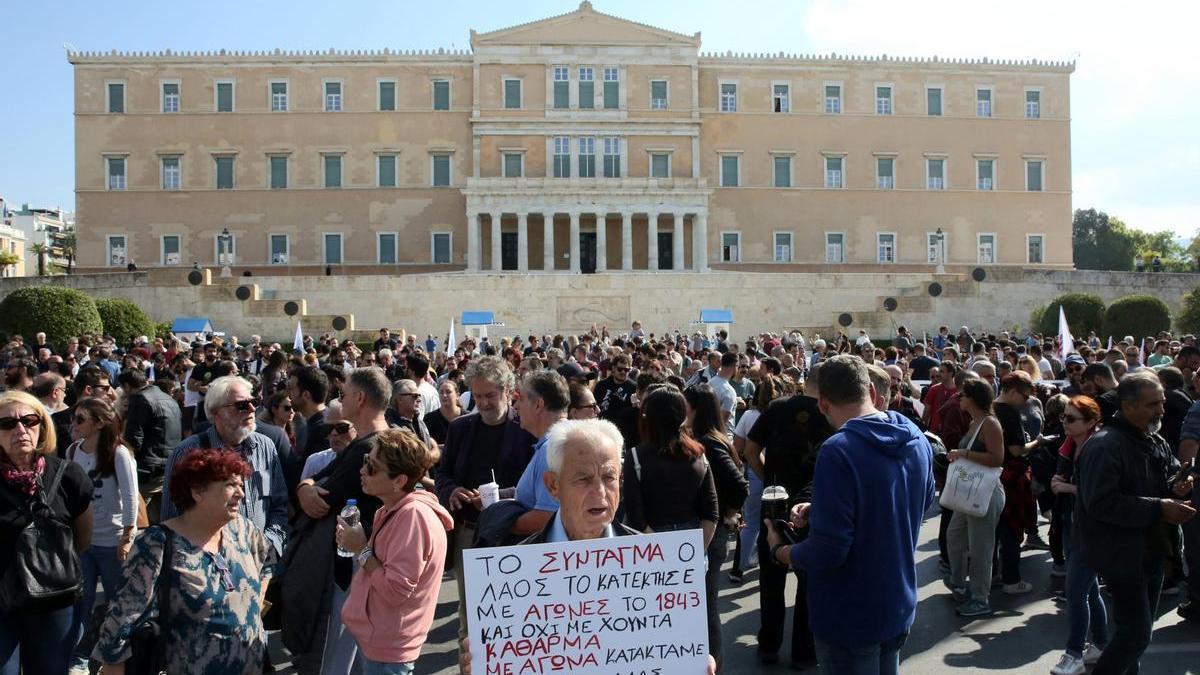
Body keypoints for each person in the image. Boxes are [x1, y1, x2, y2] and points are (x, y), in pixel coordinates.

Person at [459, 418, 718, 675]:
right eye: (583, 479)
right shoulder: (510, 581)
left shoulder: (660, 572)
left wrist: (691, 666)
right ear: (553, 485)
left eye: (609, 477)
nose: (600, 492)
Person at [765, 355, 933, 674]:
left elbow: (828, 552)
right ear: (871, 390)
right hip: (897, 600)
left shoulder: (838, 450)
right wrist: (823, 508)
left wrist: (780, 550)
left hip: (849, 612)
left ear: (823, 404)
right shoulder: (913, 434)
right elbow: (914, 502)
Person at [93, 449, 276, 674]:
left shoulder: (243, 530)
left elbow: (267, 561)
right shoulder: (157, 544)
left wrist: (254, 603)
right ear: (197, 492)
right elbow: (121, 623)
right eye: (230, 485)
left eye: (240, 485)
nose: (241, 494)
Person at [1075, 371, 1195, 674]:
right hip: (1120, 554)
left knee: (1137, 633)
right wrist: (1159, 508)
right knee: (1136, 635)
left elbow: (1167, 472)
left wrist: (1178, 483)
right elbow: (1101, 503)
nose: (1161, 410)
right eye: (1153, 404)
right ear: (1127, 406)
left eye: (1162, 402)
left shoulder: (1152, 437)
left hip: (1151, 550)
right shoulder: (1105, 446)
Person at [285, 367, 392, 674]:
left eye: (343, 395)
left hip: (355, 565)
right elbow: (318, 481)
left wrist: (306, 490)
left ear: (359, 399)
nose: (339, 400)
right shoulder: (370, 442)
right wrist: (306, 487)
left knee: (338, 658)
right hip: (359, 562)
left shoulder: (370, 448)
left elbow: (324, 498)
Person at [433, 356, 535, 645]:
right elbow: (443, 475)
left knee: (516, 618)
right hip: (469, 533)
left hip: (515, 535)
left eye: (490, 395)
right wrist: (451, 491)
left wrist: (501, 496)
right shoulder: (460, 428)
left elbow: (541, 485)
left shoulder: (526, 428)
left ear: (508, 392)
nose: (484, 403)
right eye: (477, 396)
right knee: (472, 619)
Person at [335, 428, 452, 675]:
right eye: (366, 461)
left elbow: (395, 590)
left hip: (387, 650)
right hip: (378, 641)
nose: (362, 470)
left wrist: (361, 549)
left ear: (399, 481)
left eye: (372, 467)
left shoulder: (412, 517)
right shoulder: (393, 509)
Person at [745, 362, 833, 667]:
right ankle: (803, 652)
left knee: (771, 580)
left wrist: (767, 476)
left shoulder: (778, 407)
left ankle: (769, 643)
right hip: (813, 506)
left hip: (776, 502)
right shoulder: (829, 414)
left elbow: (750, 447)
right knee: (809, 583)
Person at [0, 390, 94, 674]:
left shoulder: (69, 475)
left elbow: (81, 538)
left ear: (42, 426)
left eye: (29, 421)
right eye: (7, 424)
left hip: (54, 600)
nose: (20, 430)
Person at [65, 397, 139, 671]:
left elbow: (131, 498)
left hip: (113, 543)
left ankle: (115, 656)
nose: (74, 424)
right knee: (80, 604)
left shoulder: (118, 453)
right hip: (83, 543)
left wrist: (127, 536)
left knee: (116, 603)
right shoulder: (73, 451)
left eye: (80, 419)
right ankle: (80, 657)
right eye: (74, 418)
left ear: (98, 423)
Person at [684, 384, 748, 670]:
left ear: (695, 408)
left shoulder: (708, 442)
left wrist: (728, 512)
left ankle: (716, 665)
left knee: (707, 608)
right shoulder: (712, 437)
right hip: (714, 528)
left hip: (714, 532)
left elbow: (738, 483)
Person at [1048, 396, 1108, 675]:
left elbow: (1103, 495)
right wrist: (1058, 482)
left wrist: (1067, 487)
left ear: (1093, 422)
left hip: (1093, 528)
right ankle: (1100, 644)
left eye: (1071, 419)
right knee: (1089, 589)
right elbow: (1068, 479)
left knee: (1075, 592)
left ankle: (1074, 655)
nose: (1065, 423)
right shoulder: (1072, 444)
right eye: (1064, 417)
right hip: (1074, 522)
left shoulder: (1099, 447)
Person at [943, 378, 1008, 616]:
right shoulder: (976, 422)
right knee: (955, 536)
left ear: (973, 398)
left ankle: (980, 599)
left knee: (981, 547)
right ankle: (959, 583)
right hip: (971, 493)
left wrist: (964, 453)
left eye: (963, 395)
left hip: (985, 494)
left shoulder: (989, 423)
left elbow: (997, 458)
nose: (959, 398)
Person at [511, 370, 571, 535]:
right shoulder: (563, 440)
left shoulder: (552, 448)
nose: (515, 406)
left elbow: (548, 518)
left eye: (521, 399)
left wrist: (500, 520)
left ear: (538, 405)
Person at [594, 353, 636, 420]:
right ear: (613, 368)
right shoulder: (601, 385)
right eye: (620, 369)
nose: (623, 372)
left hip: (621, 426)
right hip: (602, 424)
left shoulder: (634, 388)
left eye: (626, 370)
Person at [423, 380, 461, 445]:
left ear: (457, 395)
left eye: (448, 392)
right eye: (441, 392)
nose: (444, 395)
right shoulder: (429, 419)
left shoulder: (468, 417)